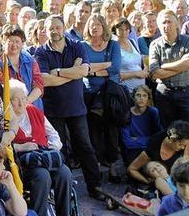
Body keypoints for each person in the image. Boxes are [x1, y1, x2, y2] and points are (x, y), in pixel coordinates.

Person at [34, 15, 104, 200]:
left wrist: (57, 72)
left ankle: (95, 186)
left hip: (76, 108)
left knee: (85, 147)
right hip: (53, 110)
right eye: (51, 28)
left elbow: (84, 71)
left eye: (58, 27)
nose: (55, 31)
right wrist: (72, 73)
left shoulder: (77, 46)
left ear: (64, 27)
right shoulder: (41, 52)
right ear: (45, 30)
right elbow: (44, 80)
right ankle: (64, 191)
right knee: (59, 149)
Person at [9, 80, 77, 216]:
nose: (20, 103)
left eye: (23, 98)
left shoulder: (34, 111)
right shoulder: (6, 118)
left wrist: (49, 151)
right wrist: (22, 147)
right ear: (8, 100)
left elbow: (54, 135)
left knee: (65, 173)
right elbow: (3, 145)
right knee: (42, 176)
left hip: (44, 157)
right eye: (15, 99)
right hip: (23, 164)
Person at [82, 14, 122, 181]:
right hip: (90, 94)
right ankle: (96, 166)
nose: (95, 27)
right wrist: (104, 67)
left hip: (110, 94)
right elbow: (83, 68)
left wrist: (93, 70)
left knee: (111, 131)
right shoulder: (83, 45)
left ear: (104, 26)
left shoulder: (113, 44)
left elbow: (116, 68)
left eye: (98, 24)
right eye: (92, 24)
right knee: (94, 132)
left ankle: (113, 166)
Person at [149, 9, 189, 128]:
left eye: (169, 22)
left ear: (176, 24)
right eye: (163, 23)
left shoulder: (188, 40)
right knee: (168, 132)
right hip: (165, 94)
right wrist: (181, 65)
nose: (167, 25)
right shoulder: (155, 45)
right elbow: (155, 73)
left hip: (187, 93)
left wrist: (164, 66)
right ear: (159, 26)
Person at [128, 121, 189, 189]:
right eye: (181, 144)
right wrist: (147, 181)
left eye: (185, 145)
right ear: (171, 139)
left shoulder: (184, 139)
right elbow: (131, 169)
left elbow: (186, 165)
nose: (183, 147)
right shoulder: (152, 149)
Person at [0, 25, 44, 110]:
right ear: (3, 42)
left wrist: (26, 102)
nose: (14, 45)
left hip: (33, 108)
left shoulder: (30, 60)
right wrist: (19, 105)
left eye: (17, 41)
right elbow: (0, 88)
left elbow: (39, 85)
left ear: (22, 43)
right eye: (10, 41)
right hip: (10, 110)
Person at [120, 85, 162, 165]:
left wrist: (138, 139)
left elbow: (158, 137)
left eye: (144, 96)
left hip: (149, 149)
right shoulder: (126, 113)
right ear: (133, 97)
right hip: (132, 151)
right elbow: (127, 142)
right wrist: (148, 139)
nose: (141, 98)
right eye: (138, 95)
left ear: (148, 98)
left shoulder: (153, 112)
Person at [113, 18, 146, 93]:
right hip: (126, 92)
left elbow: (140, 60)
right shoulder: (114, 46)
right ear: (115, 30)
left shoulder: (132, 42)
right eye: (120, 29)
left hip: (140, 91)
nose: (124, 32)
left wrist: (145, 69)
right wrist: (136, 74)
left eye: (126, 29)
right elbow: (115, 75)